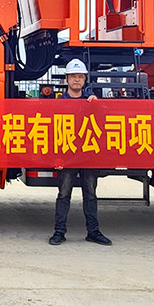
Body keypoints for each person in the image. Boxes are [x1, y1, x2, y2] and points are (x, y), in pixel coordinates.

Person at [48, 59, 112, 246]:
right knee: (64, 194)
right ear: (67, 79)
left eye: (80, 77)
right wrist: (56, 157)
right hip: (67, 155)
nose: (77, 80)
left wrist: (97, 104)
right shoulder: (59, 103)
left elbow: (104, 121)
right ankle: (59, 232)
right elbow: (53, 130)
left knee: (90, 194)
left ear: (85, 79)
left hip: (88, 154)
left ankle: (93, 232)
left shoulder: (91, 101)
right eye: (73, 76)